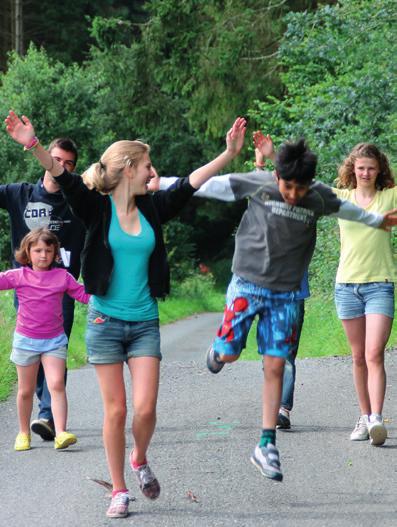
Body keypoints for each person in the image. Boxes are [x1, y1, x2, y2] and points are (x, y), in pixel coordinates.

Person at [5, 110, 247, 518]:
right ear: (129, 168)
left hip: (144, 322)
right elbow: (61, 176)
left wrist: (228, 153)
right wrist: (33, 144)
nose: (154, 173)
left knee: (146, 409)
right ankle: (118, 489)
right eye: (148, 166)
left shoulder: (153, 208)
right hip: (104, 322)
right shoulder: (94, 209)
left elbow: (192, 182)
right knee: (115, 410)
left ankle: (139, 457)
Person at [156, 134, 397, 483]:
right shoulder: (259, 183)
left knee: (276, 366)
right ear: (276, 176)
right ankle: (220, 350)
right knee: (230, 354)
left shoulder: (319, 196)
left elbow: (351, 211)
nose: (294, 194)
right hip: (248, 285)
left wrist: (378, 221)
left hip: (286, 293)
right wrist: (158, 184)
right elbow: (207, 185)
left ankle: (266, 443)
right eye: (288, 186)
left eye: (301, 188)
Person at [0, 136, 85, 442]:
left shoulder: (76, 200)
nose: (60, 167)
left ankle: (49, 415)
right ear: (45, 158)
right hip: (26, 288)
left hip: (61, 288)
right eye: (56, 159)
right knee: (32, 353)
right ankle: (44, 411)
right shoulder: (18, 194)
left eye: (68, 163)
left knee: (53, 349)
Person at [0, 228, 90, 451]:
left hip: (54, 341)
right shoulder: (19, 275)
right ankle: (23, 433)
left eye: (48, 250)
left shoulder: (62, 277)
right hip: (26, 341)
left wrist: (108, 295)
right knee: (25, 390)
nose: (43, 255)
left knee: (57, 384)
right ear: (27, 252)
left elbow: (84, 295)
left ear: (55, 253)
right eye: (37, 250)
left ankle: (60, 433)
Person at [333, 143, 396, 446]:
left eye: (371, 168)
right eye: (361, 168)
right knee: (358, 357)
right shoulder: (341, 198)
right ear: (353, 169)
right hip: (346, 287)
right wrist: (269, 157)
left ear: (379, 169)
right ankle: (363, 416)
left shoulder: (389, 196)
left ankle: (377, 420)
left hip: (380, 285)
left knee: (374, 353)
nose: (366, 173)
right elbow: (299, 183)